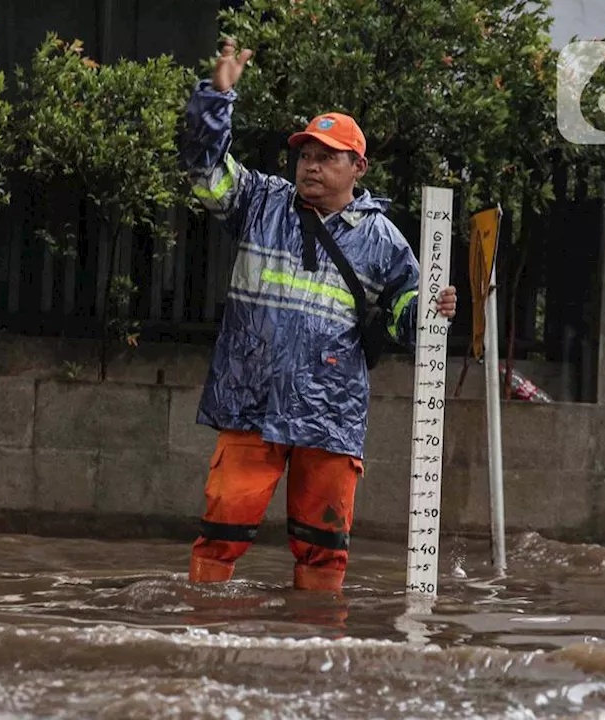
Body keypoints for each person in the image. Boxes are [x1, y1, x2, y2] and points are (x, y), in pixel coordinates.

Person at [182, 39, 459, 593]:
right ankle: (204, 638)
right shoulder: (260, 202)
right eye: (306, 155)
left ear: (357, 166)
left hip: (329, 417)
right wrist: (217, 97)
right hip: (249, 402)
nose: (311, 165)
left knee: (324, 551)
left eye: (326, 156)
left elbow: (407, 306)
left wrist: (431, 311)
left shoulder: (381, 238)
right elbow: (202, 167)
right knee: (220, 535)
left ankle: (314, 651)